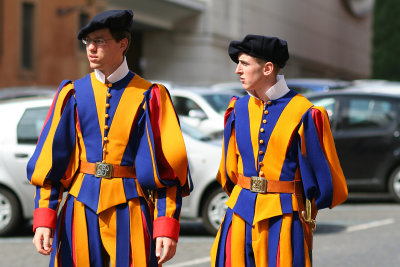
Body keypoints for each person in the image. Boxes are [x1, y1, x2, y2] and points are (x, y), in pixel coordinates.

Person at [27, 9, 192, 267]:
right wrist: (44, 219)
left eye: (100, 41)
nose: (91, 48)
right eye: (88, 42)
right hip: (79, 207)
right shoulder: (72, 93)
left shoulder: (150, 96)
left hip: (132, 208)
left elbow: (167, 166)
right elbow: (51, 162)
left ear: (123, 43)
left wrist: (166, 226)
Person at [210, 34, 348, 266]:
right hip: (238, 213)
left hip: (284, 219)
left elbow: (327, 182)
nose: (238, 70)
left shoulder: (305, 113)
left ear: (268, 69)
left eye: (245, 63)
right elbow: (228, 171)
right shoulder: (237, 109)